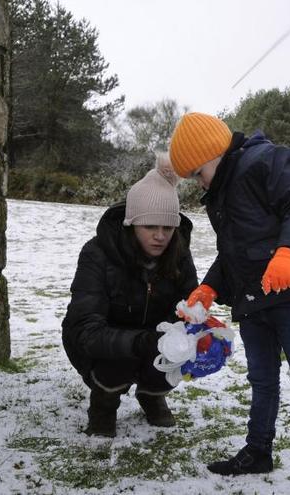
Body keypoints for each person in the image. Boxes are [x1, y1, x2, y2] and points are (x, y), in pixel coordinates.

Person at [168, 112, 290, 493]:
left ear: (214, 154)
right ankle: (258, 450)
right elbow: (232, 252)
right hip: (252, 298)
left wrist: (288, 253)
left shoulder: (268, 160)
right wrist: (208, 289)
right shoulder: (220, 194)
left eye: (198, 172)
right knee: (262, 378)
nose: (198, 182)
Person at [61, 153, 198, 437]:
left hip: (153, 338)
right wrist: (142, 342)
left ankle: (152, 394)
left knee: (176, 349)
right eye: (150, 227)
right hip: (101, 343)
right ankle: (103, 403)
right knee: (117, 358)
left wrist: (197, 329)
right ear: (131, 224)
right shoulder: (97, 253)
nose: (160, 236)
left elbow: (188, 307)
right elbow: (86, 329)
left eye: (168, 228)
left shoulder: (179, 255)